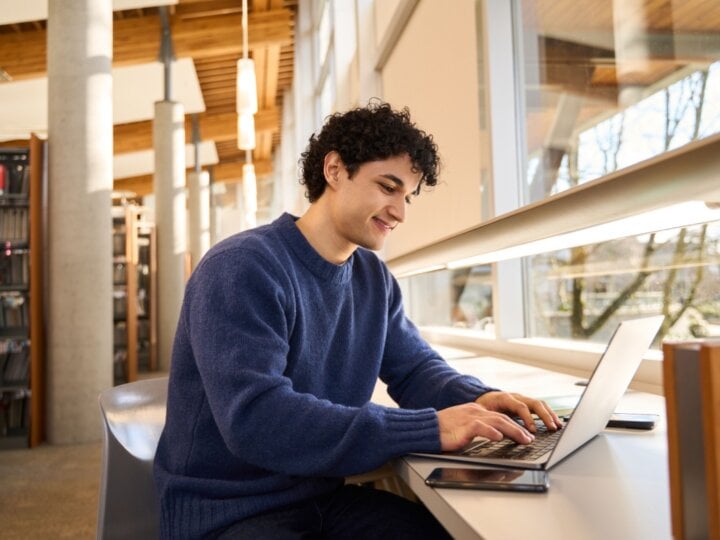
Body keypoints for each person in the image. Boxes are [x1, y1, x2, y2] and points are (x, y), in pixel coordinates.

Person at [153, 101, 561, 539]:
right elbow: (256, 419)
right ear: (334, 170)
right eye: (388, 187)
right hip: (230, 512)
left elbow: (416, 370)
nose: (400, 212)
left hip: (319, 499)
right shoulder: (242, 268)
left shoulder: (372, 278)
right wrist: (430, 427)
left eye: (407, 196)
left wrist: (482, 400)